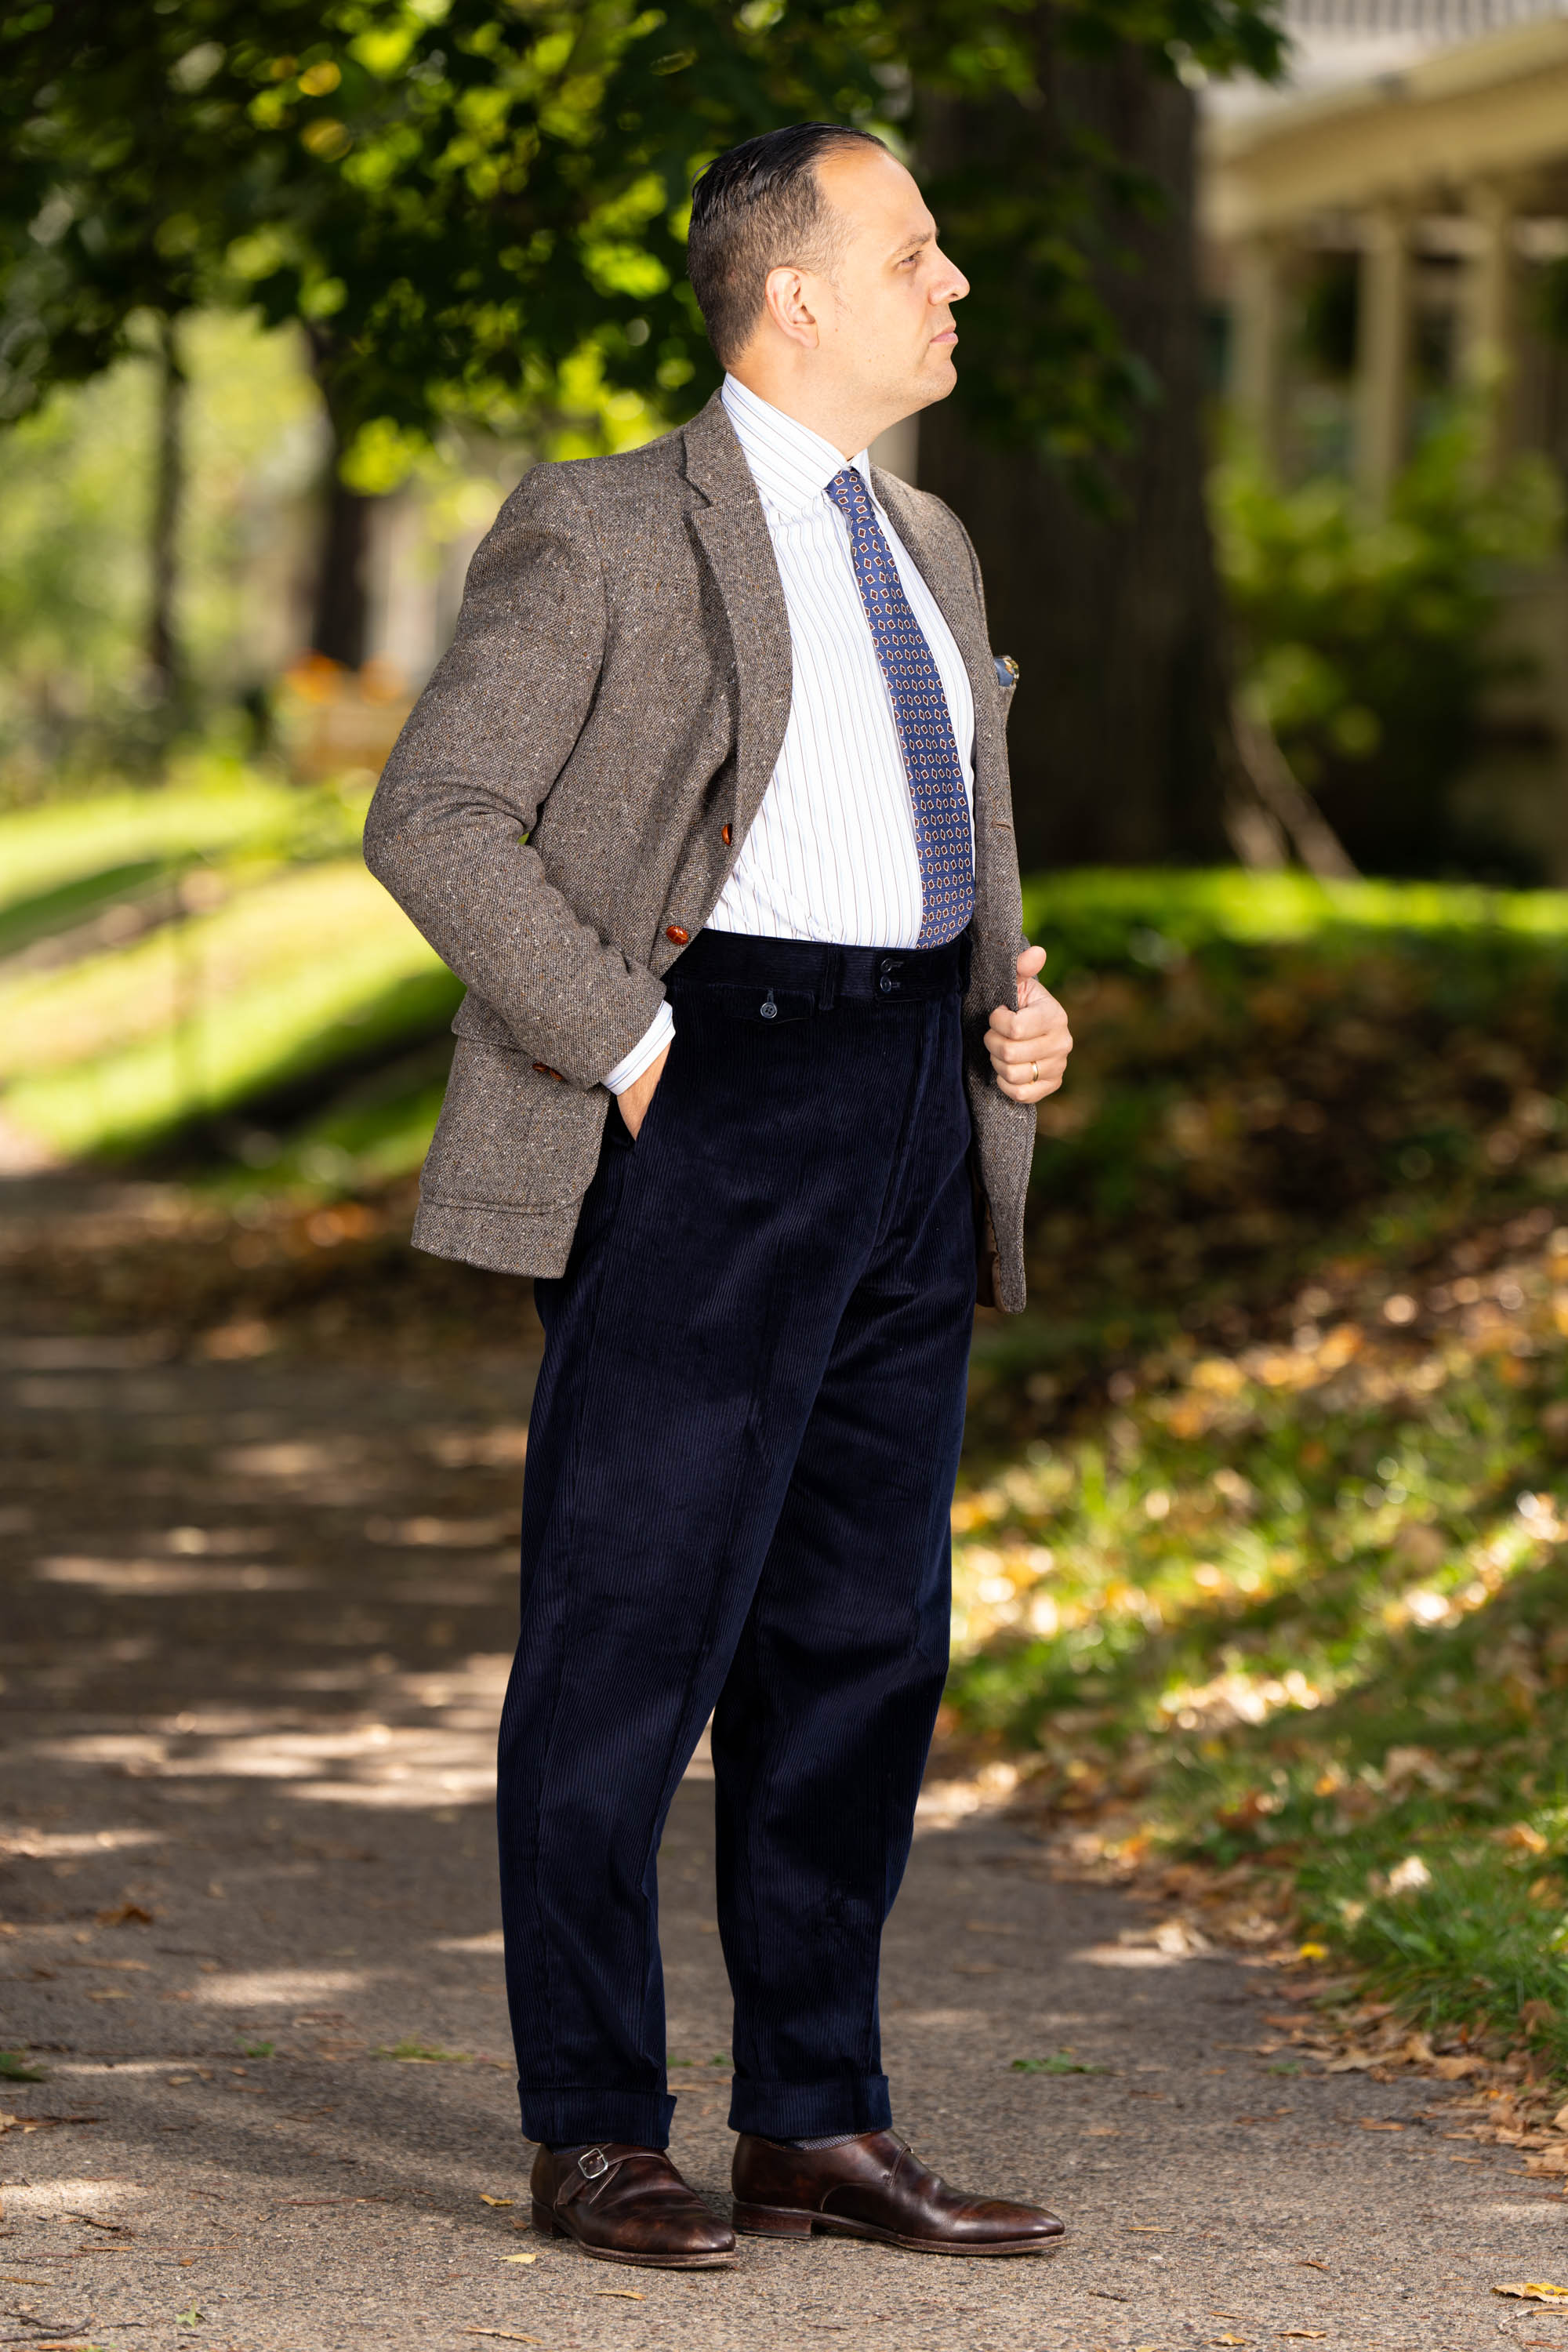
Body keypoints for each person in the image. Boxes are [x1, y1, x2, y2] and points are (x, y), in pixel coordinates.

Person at [365, 121, 1074, 2270]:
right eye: (917, 255)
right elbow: (440, 816)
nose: (954, 288)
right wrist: (639, 1045)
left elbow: (932, 840)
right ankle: (598, 2125)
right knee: (627, 1635)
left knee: (863, 1643)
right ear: (795, 295)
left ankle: (816, 2121)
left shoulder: (937, 549)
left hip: (905, 1113)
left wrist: (1007, 1025)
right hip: (704, 1101)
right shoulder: (602, 530)